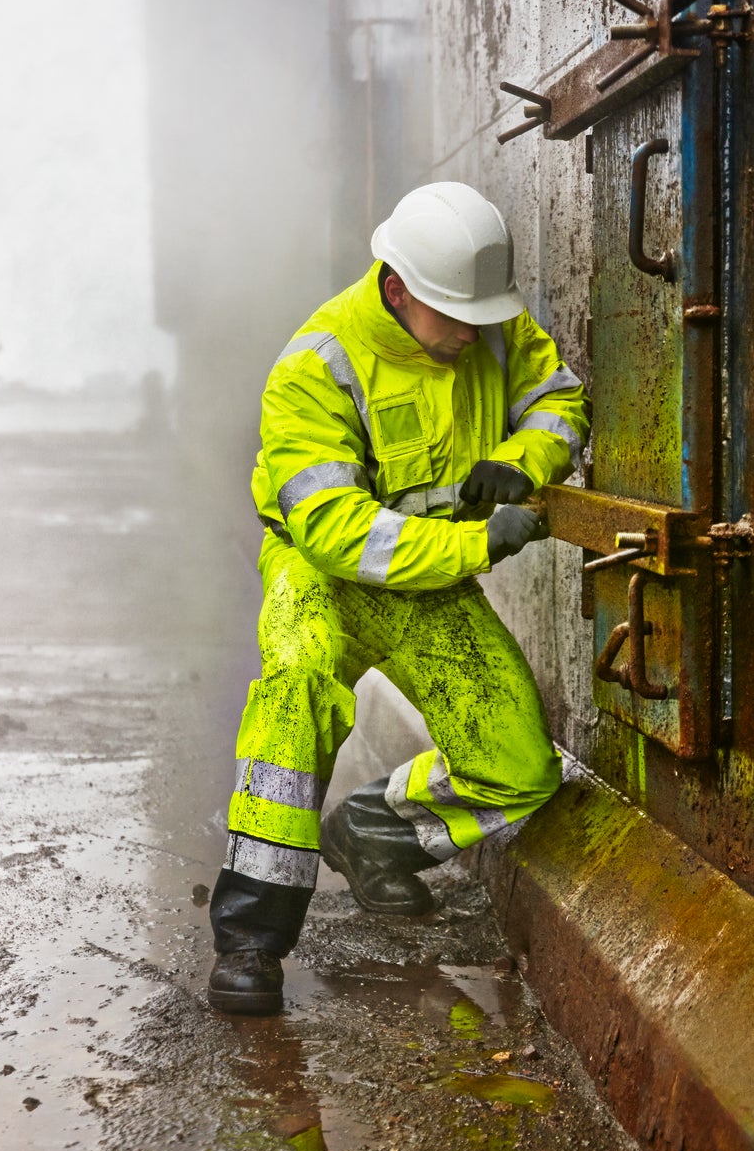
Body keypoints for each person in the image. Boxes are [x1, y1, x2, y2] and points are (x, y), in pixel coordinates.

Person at [207, 181, 590, 1014]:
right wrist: (476, 540)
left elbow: (562, 402)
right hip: (322, 576)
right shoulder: (316, 366)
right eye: (453, 312)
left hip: (424, 586)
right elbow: (337, 530)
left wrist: (525, 460)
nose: (469, 331)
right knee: (297, 688)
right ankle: (250, 938)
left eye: (480, 314)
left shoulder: (487, 327)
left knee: (521, 767)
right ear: (396, 286)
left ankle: (374, 829)